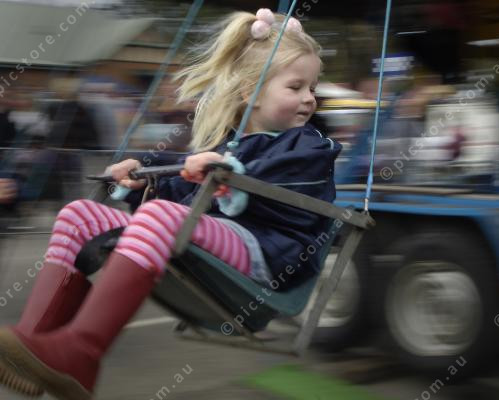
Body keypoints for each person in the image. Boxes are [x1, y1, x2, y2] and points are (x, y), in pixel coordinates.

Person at [0, 9, 341, 400]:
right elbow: (183, 191)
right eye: (296, 87)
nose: (309, 98)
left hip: (266, 252)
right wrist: (141, 176)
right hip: (224, 240)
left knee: (162, 215)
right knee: (78, 215)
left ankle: (81, 351)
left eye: (312, 87)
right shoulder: (227, 144)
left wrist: (227, 173)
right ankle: (32, 345)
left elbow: (288, 187)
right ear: (251, 92)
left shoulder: (310, 147)